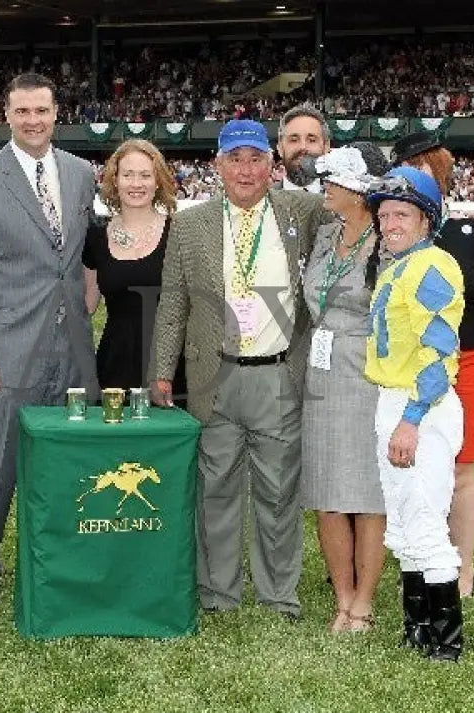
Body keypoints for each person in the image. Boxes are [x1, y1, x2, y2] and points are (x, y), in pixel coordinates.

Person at [149, 119, 327, 619]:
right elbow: (173, 303)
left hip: (278, 373)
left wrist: (467, 218)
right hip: (215, 375)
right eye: (235, 159)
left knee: (278, 491)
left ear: (274, 166)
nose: (245, 170)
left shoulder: (302, 211)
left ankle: (278, 596)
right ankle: (218, 595)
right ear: (217, 165)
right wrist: (163, 370)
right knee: (217, 489)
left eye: (256, 159)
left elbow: (365, 201)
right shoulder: (189, 224)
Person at [0, 73, 98, 603]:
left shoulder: (81, 175)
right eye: (23, 112)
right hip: (8, 350)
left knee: (64, 467)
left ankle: (54, 566)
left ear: (56, 113)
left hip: (73, 349)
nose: (33, 121)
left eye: (42, 111)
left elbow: (82, 257)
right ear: (7, 116)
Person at [392, 131, 474, 599]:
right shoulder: (393, 232)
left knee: (461, 471)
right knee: (416, 469)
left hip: (468, 361)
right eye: (410, 168)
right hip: (411, 366)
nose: (420, 178)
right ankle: (421, 561)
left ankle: (463, 570)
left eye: (427, 168)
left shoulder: (471, 233)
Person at [364, 166, 466, 662]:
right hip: (394, 399)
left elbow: (439, 351)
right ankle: (418, 628)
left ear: (426, 220)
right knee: (403, 521)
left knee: (424, 518)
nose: (390, 224)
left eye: (401, 214)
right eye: (384, 215)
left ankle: (447, 641)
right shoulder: (399, 266)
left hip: (420, 405)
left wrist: (412, 417)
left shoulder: (432, 266)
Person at [300, 144, 389, 632]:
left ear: (359, 191)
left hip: (369, 370)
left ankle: (365, 602)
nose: (325, 188)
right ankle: (342, 598)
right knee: (327, 486)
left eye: (333, 181)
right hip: (322, 370)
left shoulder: (386, 238)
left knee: (368, 490)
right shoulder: (325, 232)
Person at [83, 139, 185, 398]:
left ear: (158, 180)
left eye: (144, 175)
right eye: (128, 175)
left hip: (170, 369)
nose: (136, 184)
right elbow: (86, 305)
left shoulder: (180, 233)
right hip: (115, 366)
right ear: (114, 180)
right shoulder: (95, 237)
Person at [276, 105, 330, 193]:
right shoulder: (261, 200)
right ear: (280, 148)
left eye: (311, 140)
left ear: (326, 147)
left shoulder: (345, 202)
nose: (303, 147)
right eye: (294, 140)